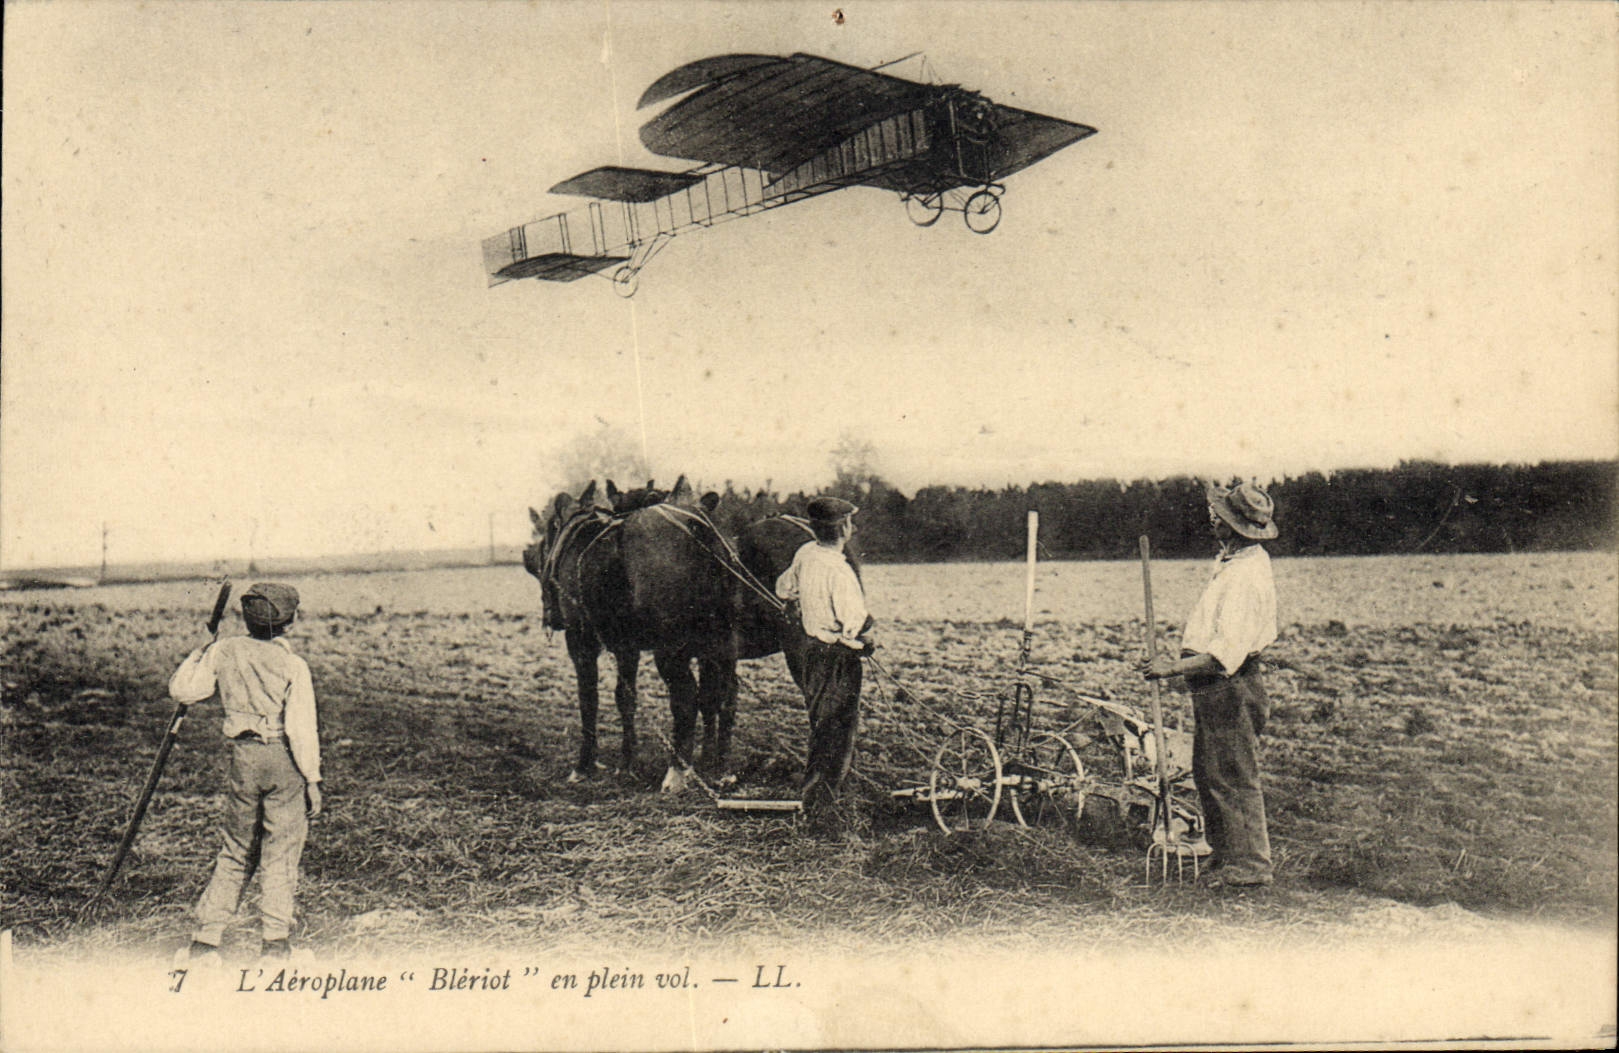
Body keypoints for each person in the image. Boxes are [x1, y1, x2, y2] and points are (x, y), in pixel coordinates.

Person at [171, 583, 322, 963]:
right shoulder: (293, 665)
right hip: (283, 761)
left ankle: (205, 943)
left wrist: (201, 651)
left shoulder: (225, 650)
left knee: (235, 850)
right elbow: (301, 729)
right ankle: (274, 946)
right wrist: (313, 780)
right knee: (280, 854)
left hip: (243, 760)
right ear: (289, 621)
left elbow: (185, 690)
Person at [1141, 482, 1278, 889]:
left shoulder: (1245, 578)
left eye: (1219, 516)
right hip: (1215, 685)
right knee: (1211, 773)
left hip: (1230, 686)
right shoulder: (1233, 560)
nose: (1212, 519)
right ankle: (1226, 858)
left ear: (1235, 527)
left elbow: (1223, 656)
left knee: (1234, 776)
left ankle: (1250, 867)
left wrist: (1168, 669)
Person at [775, 496, 874, 818]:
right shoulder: (840, 571)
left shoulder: (806, 553)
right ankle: (821, 807)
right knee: (836, 730)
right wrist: (868, 639)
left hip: (810, 652)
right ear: (843, 528)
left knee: (821, 724)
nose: (854, 528)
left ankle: (818, 798)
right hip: (835, 658)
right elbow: (855, 623)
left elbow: (783, 588)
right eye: (850, 522)